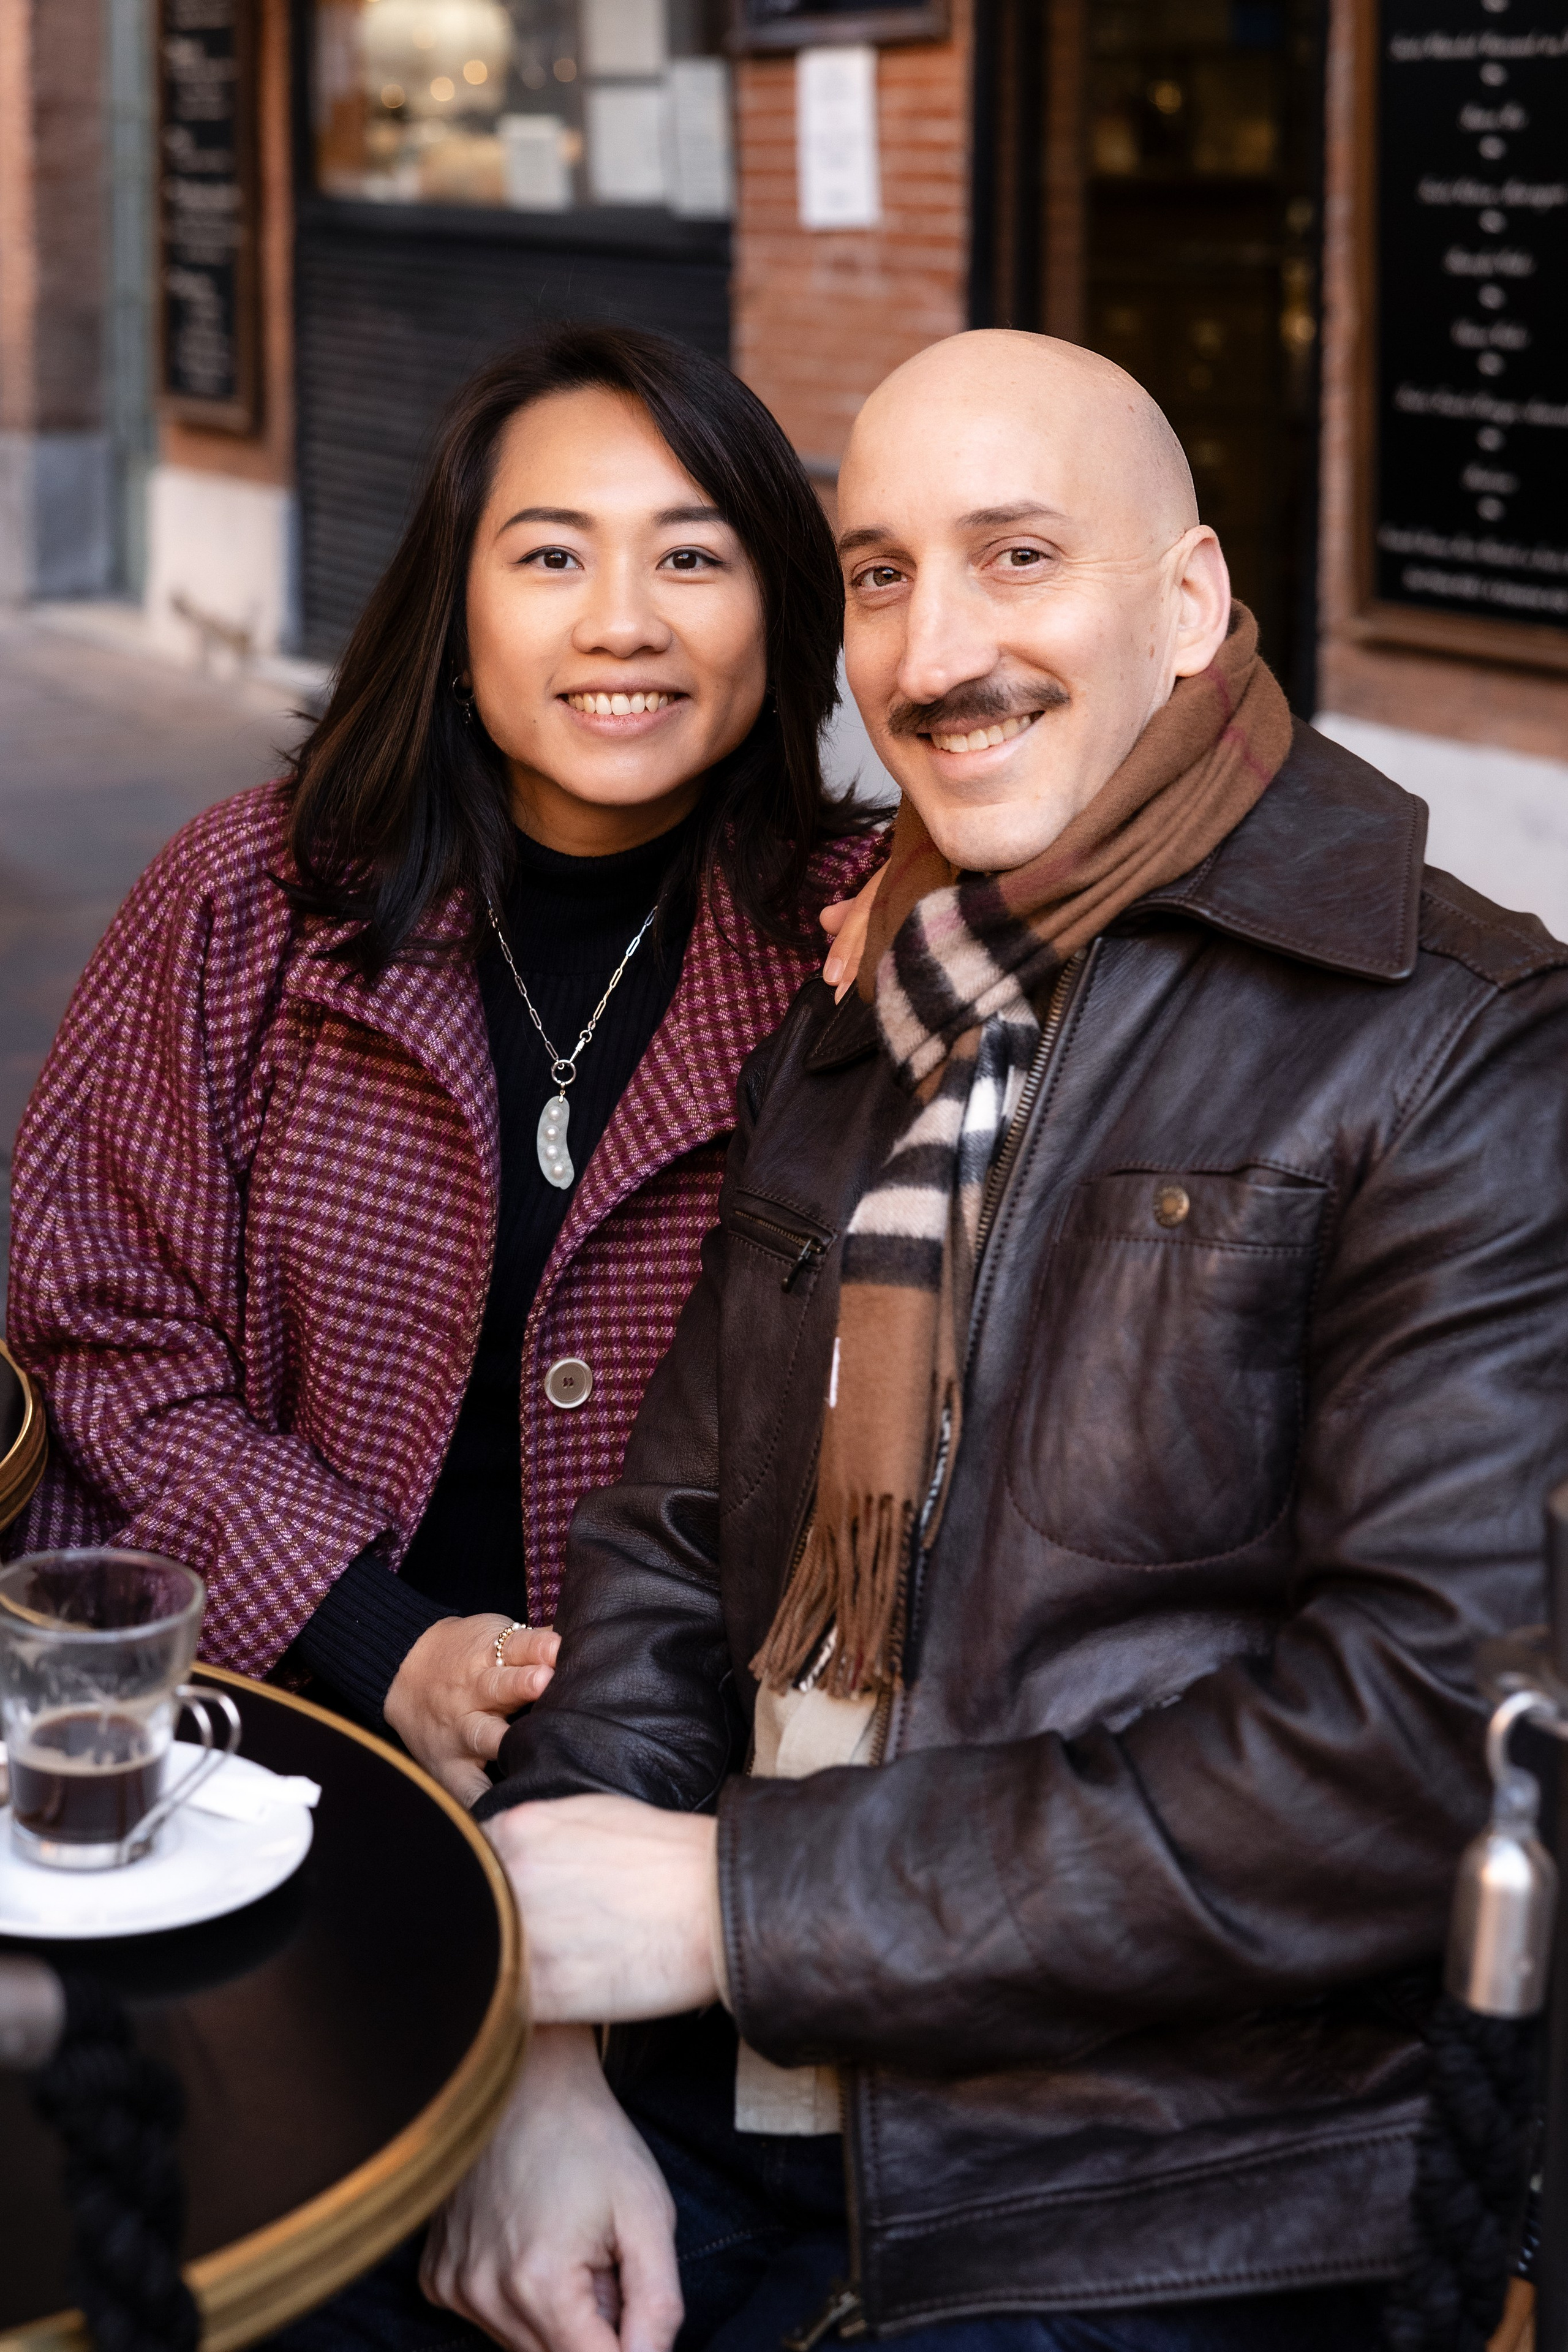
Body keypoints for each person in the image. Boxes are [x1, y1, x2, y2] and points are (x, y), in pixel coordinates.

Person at [420, 331, 1568, 2352]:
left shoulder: (1461, 1043)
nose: (933, 654)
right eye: (878, 574)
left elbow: (1416, 1750)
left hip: (1154, 2196)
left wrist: (722, 1907)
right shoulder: (881, 1011)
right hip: (735, 2101)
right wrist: (550, 2062)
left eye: (1017, 558)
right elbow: (672, 1552)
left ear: (1191, 602)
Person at [4, 326, 884, 1800]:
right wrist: (375, 1642)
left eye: (689, 559)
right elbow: (97, 1327)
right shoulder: (248, 903)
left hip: (696, 1810)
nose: (621, 624)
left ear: (777, 612)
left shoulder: (862, 938)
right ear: (455, 615)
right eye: (550, 558)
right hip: (264, 1746)